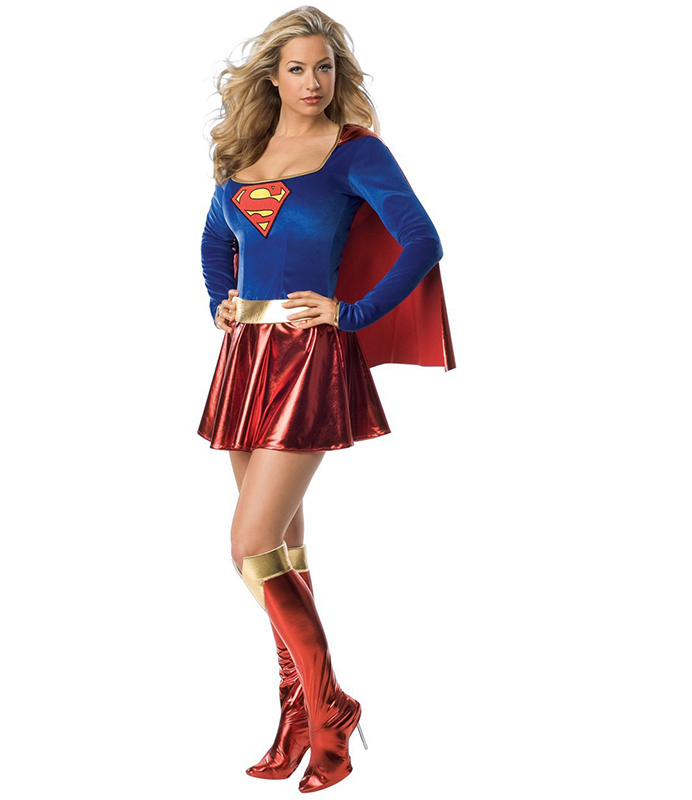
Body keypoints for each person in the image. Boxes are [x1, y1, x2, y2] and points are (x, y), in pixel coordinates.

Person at [196, 6, 456, 793]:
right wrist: (219, 299)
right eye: (298, 68)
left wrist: (352, 313)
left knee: (248, 545)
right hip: (245, 358)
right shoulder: (244, 156)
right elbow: (215, 239)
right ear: (272, 77)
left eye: (325, 67)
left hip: (309, 359)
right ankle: (298, 716)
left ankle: (330, 705)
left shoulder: (354, 152)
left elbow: (422, 240)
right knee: (281, 548)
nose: (314, 81)